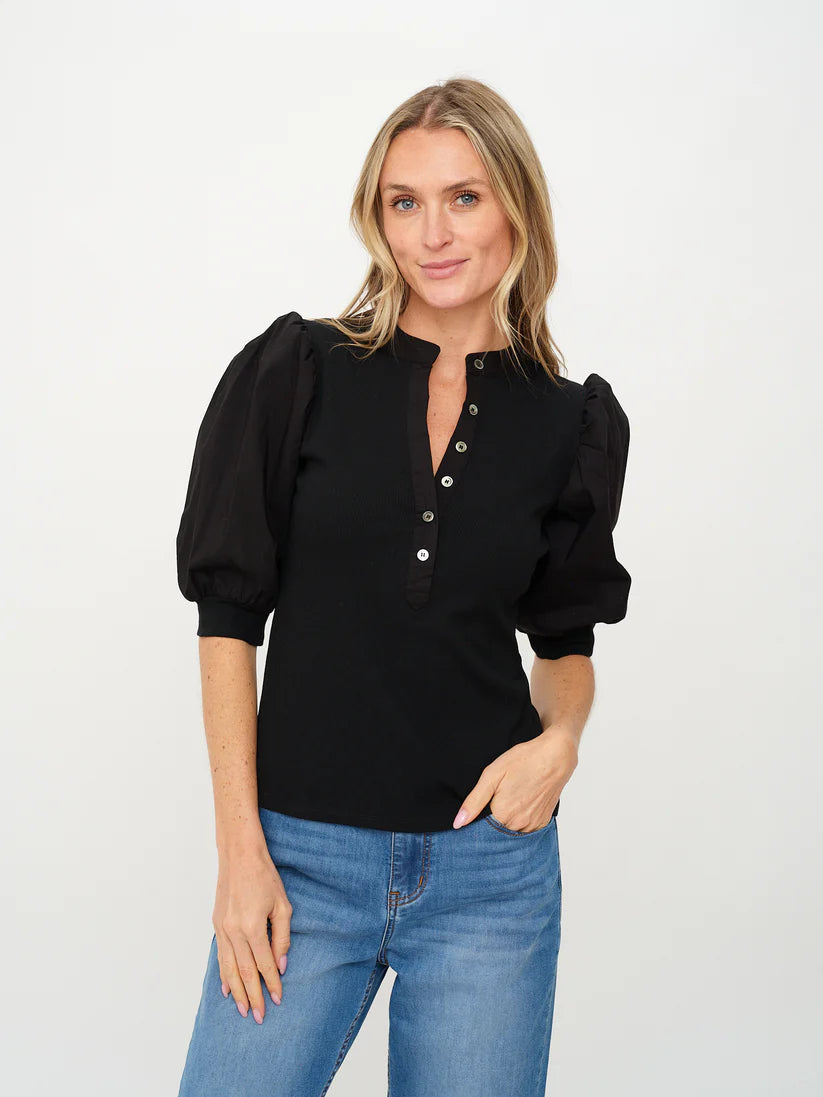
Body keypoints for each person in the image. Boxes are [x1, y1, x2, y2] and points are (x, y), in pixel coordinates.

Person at [174, 76, 631, 1097]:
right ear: (375, 218)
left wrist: (559, 739)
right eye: (404, 201)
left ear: (516, 206)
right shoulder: (298, 369)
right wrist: (242, 852)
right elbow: (226, 616)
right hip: (300, 861)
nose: (433, 232)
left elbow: (565, 643)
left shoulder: (570, 423)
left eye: (464, 197)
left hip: (490, 878)